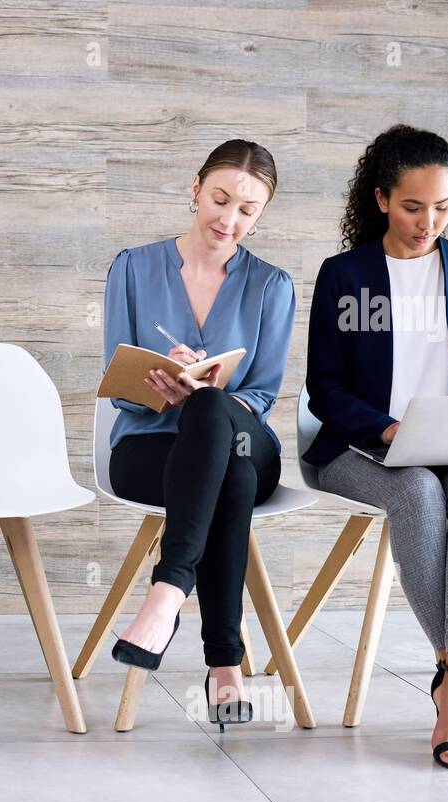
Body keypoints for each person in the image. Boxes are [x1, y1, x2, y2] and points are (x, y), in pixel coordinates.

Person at [304, 124, 448, 770]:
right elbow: (323, 389)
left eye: (444, 207)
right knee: (417, 491)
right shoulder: (345, 276)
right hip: (359, 447)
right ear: (381, 200)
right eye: (413, 207)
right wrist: (389, 431)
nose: (429, 223)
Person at [104, 139, 295, 730]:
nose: (228, 219)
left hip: (245, 434)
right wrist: (159, 382)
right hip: (147, 446)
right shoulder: (132, 267)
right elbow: (116, 385)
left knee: (214, 412)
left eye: (247, 210)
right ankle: (224, 665)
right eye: (219, 199)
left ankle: (166, 595)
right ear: (195, 188)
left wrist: (213, 392)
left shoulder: (272, 285)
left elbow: (263, 393)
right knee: (227, 472)